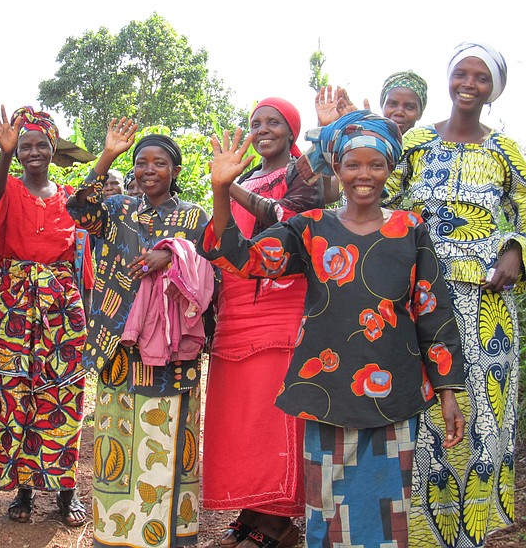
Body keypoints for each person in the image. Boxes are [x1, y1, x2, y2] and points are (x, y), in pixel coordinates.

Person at [200, 111, 466, 548]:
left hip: (393, 393)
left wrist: (449, 392)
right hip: (325, 391)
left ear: (390, 169)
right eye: (353, 165)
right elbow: (241, 259)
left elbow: (432, 312)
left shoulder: (411, 229)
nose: (365, 175)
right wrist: (221, 191)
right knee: (328, 506)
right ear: (337, 169)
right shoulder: (311, 228)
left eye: (375, 164)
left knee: (385, 508)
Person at [383, 42, 524, 548]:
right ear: (449, 79)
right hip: (420, 302)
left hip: (488, 309)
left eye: (481, 78)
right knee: (423, 420)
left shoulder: (506, 151)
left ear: (494, 90)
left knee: (485, 416)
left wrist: (516, 248)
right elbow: (380, 199)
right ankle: (420, 534)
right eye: (461, 73)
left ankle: (471, 537)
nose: (469, 84)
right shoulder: (416, 143)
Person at [67, 119, 211, 548]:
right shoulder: (117, 210)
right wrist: (107, 154)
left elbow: (210, 270)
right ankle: (115, 534)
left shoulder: (193, 216)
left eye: (160, 163)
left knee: (171, 435)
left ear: (176, 170)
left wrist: (171, 257)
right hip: (118, 341)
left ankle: (170, 535)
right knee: (119, 436)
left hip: (173, 349)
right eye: (141, 162)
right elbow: (78, 209)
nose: (149, 170)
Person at [203, 98, 323, 548]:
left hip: (283, 307)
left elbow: (288, 218)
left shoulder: (299, 175)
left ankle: (279, 523)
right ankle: (252, 512)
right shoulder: (242, 175)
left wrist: (229, 186)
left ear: (293, 131)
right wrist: (222, 187)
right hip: (236, 307)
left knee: (276, 415)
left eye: (274, 122)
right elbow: (217, 240)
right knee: (245, 416)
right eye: (256, 123)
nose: (263, 128)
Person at [0, 105, 91, 528]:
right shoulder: (6, 188)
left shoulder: (68, 196)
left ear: (52, 149)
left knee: (63, 394)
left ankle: (66, 491)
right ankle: (24, 489)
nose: (32, 152)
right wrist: (4, 153)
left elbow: (93, 202)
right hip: (12, 302)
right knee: (14, 394)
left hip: (62, 307)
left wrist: (105, 156)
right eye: (24, 145)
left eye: (39, 145)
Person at [317, 70, 428, 203]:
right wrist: (326, 135)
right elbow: (327, 196)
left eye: (409, 107)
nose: (399, 112)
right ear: (383, 105)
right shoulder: (354, 147)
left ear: (420, 113)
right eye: (392, 104)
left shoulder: (425, 152)